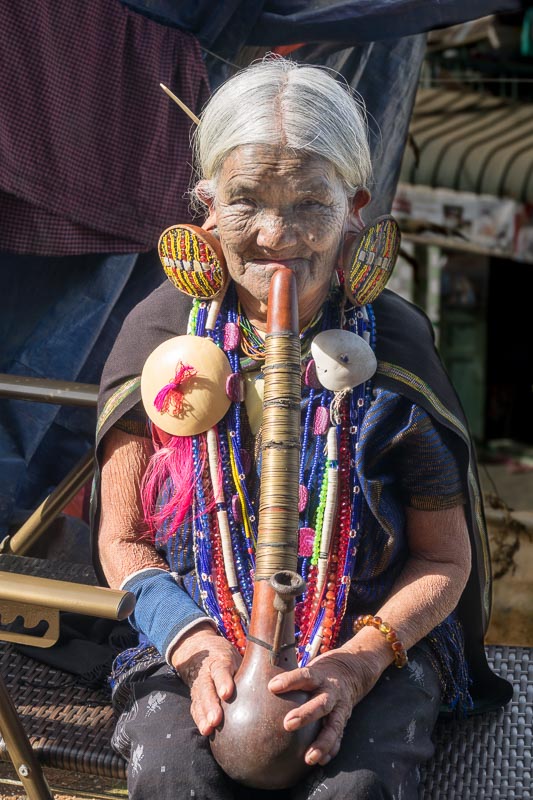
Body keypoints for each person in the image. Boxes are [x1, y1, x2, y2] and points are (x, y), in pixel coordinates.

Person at [92, 58, 511, 800]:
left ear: (355, 206)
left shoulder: (396, 347)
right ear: (207, 206)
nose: (276, 235)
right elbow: (122, 536)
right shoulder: (162, 335)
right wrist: (194, 645)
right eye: (247, 201)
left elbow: (442, 560)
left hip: (371, 634)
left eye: (309, 205)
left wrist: (356, 661)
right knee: (174, 777)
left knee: (351, 790)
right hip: (193, 624)